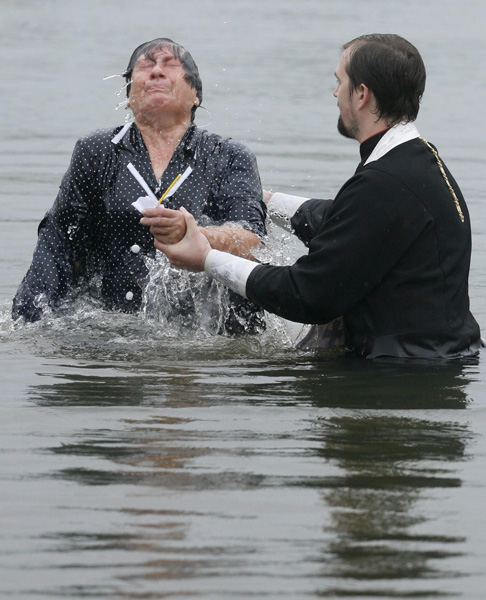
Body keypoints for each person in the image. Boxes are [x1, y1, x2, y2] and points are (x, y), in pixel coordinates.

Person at [148, 34, 482, 359]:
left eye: (340, 82)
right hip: (438, 365)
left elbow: (306, 295)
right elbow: (341, 219)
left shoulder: (385, 182)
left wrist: (205, 258)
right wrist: (260, 197)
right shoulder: (417, 162)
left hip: (403, 378)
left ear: (362, 94)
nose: (335, 93)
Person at [12, 37, 266, 333]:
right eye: (145, 66)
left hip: (200, 334)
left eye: (171, 65)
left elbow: (252, 237)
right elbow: (59, 240)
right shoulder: (96, 152)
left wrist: (196, 233)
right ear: (129, 93)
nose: (156, 71)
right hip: (108, 328)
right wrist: (28, 318)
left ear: (196, 94)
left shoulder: (228, 156)